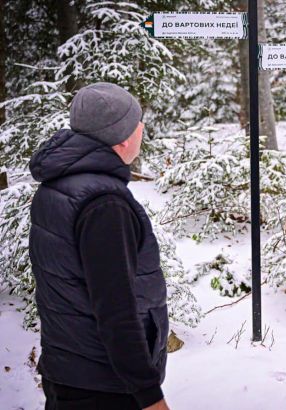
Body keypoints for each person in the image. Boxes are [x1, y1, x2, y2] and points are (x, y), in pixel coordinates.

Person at [29, 82, 170, 410]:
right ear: (120, 136)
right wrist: (149, 396)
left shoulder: (59, 185)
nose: (142, 129)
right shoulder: (104, 204)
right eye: (137, 122)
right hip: (105, 387)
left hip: (69, 373)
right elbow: (116, 309)